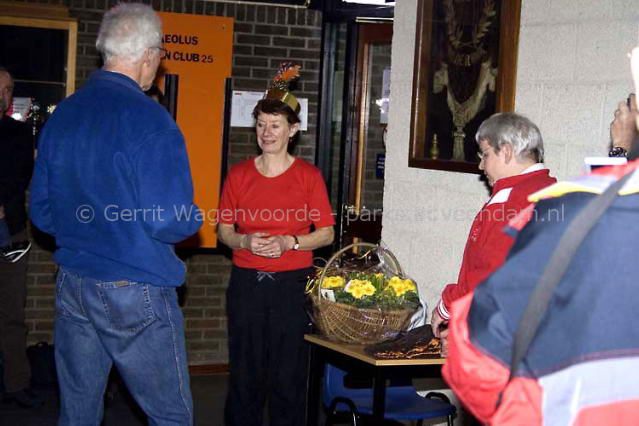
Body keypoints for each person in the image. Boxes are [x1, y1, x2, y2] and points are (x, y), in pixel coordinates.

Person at [29, 4, 201, 425]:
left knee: (78, 414)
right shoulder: (151, 119)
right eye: (160, 55)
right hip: (134, 286)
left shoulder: (65, 113)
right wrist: (193, 217)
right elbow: (167, 219)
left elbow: (42, 212)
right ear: (148, 55)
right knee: (170, 417)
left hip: (73, 282)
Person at [217, 63, 335, 426]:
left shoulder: (309, 176)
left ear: (293, 130)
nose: (266, 133)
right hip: (246, 286)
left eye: (275, 125)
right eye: (261, 124)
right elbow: (223, 230)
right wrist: (244, 239)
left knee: (289, 376)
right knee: (244, 374)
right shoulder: (238, 174)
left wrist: (289, 242)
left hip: (291, 287)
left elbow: (326, 233)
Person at [430, 112, 556, 356]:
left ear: (506, 152)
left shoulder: (511, 201)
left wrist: (448, 306)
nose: (481, 166)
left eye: (485, 155)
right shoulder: (553, 190)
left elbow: (490, 277)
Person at [0, 67, 39, 407]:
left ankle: (16, 383)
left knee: (12, 311)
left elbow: (18, 176)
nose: (3, 95)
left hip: (10, 230)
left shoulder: (18, 133)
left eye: (8, 89)